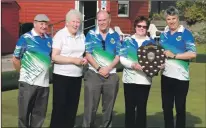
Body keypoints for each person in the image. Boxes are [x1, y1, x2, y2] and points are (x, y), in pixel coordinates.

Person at [12, 14, 52, 128]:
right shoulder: (25, 38)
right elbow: (15, 59)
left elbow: (51, 57)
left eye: (46, 24)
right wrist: (23, 73)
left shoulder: (49, 39)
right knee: (24, 115)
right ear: (35, 23)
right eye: (41, 23)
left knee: (39, 115)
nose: (44, 26)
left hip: (44, 84)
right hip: (28, 83)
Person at [82, 10, 121, 128]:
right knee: (90, 108)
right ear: (97, 21)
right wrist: (99, 68)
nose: (102, 22)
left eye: (104, 20)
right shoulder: (90, 34)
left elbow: (118, 56)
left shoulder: (115, 35)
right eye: (99, 20)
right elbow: (88, 54)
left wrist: (108, 69)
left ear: (109, 20)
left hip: (111, 75)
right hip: (93, 74)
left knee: (108, 109)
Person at [160, 6, 196, 128]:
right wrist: (160, 64)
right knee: (166, 107)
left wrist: (174, 56)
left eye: (173, 18)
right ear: (166, 20)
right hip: (165, 76)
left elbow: (192, 54)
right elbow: (161, 54)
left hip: (181, 78)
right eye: (169, 19)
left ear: (178, 18)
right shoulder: (163, 35)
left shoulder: (186, 34)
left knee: (180, 108)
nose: (171, 21)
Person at [49, 9, 87, 128]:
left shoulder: (82, 35)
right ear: (67, 22)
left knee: (72, 108)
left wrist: (84, 59)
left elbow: (83, 53)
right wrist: (73, 60)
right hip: (62, 76)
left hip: (76, 76)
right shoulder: (60, 35)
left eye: (78, 22)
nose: (76, 24)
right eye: (74, 22)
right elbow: (54, 57)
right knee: (60, 108)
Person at [120, 16, 155, 128]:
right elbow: (122, 58)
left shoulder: (151, 43)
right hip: (129, 80)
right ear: (135, 27)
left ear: (147, 28)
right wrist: (133, 65)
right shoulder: (127, 40)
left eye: (144, 26)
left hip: (144, 81)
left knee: (141, 109)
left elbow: (156, 61)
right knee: (129, 109)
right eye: (139, 26)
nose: (141, 28)